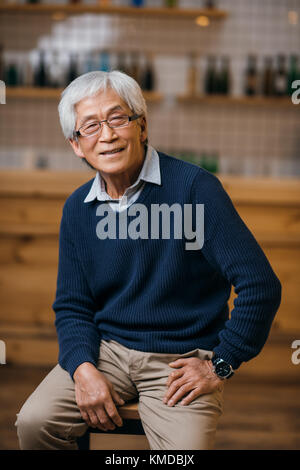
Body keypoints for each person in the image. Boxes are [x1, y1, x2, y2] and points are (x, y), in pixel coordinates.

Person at [15, 70, 281, 450]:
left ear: (142, 126)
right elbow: (73, 306)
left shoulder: (193, 189)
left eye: (117, 118)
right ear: (76, 145)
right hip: (108, 351)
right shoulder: (77, 208)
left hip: (180, 360)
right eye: (90, 127)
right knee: (34, 423)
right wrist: (83, 368)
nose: (106, 135)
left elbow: (261, 285)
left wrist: (220, 363)